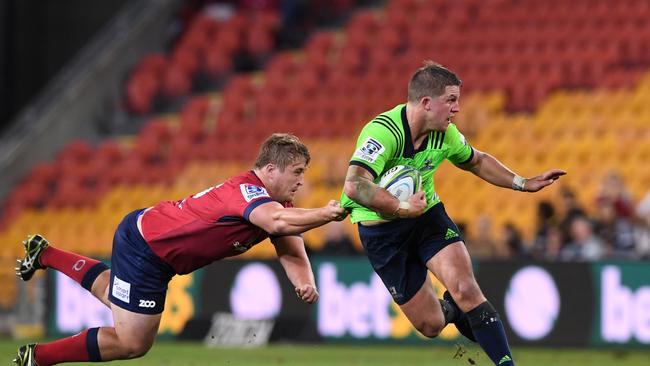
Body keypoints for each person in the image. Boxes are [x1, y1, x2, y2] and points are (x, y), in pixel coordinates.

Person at [13, 133, 347, 366]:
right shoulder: (248, 191)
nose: (302, 180)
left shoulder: (276, 201)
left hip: (153, 247)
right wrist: (327, 214)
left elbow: (289, 244)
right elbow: (277, 224)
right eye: (297, 171)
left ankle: (44, 254)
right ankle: (39, 358)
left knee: (117, 297)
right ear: (271, 170)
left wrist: (304, 281)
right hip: (147, 247)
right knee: (133, 343)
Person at [340, 61, 565, 366]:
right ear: (426, 103)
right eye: (451, 100)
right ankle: (454, 312)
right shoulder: (383, 132)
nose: (457, 108)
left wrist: (522, 183)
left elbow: (476, 161)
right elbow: (355, 186)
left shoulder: (445, 134)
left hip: (426, 218)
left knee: (465, 288)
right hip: (383, 232)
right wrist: (400, 207)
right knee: (430, 325)